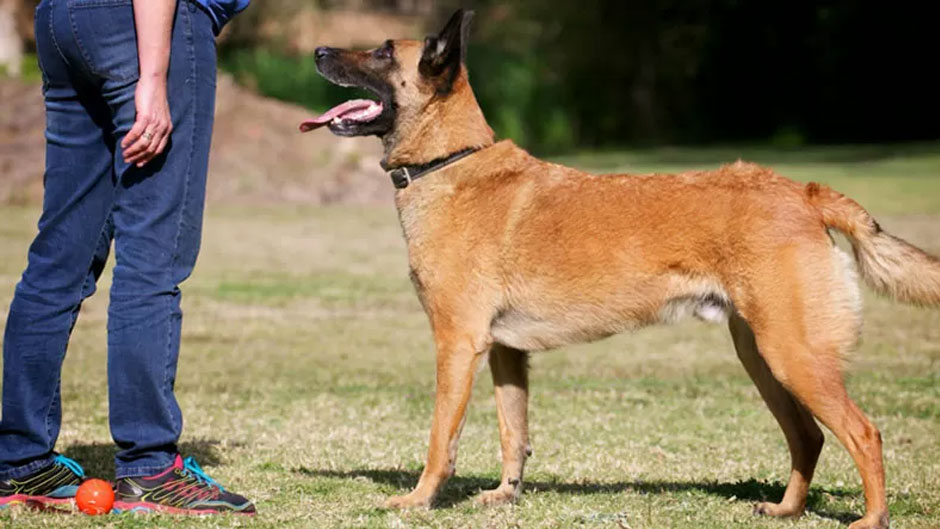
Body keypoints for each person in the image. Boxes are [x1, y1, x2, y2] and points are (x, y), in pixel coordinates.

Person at [0, 0, 254, 515]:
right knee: (152, 257)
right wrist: (154, 76)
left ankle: (20, 460)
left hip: (63, 20)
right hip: (148, 24)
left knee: (59, 257)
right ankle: (150, 467)